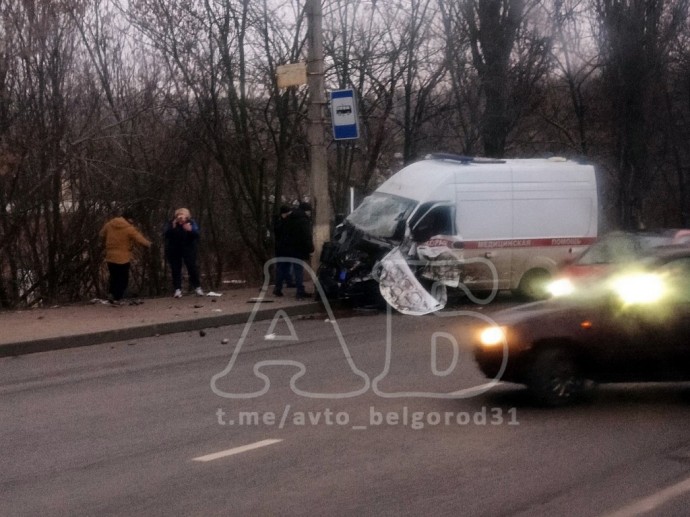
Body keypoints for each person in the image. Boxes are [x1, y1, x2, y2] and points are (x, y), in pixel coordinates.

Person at [99, 209, 152, 304]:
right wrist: (149, 244)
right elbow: (139, 238)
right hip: (123, 258)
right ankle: (117, 297)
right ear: (129, 219)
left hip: (110, 257)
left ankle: (111, 293)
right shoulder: (128, 228)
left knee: (114, 277)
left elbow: (101, 233)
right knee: (123, 278)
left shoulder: (109, 224)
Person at [273, 202, 314, 299]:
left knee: (282, 268)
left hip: (286, 248)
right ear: (306, 211)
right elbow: (306, 236)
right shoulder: (303, 220)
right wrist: (310, 248)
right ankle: (300, 292)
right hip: (298, 248)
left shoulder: (289, 218)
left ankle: (277, 288)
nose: (309, 214)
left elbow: (283, 232)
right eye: (309, 212)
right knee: (298, 270)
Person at [164, 207, 204, 298]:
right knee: (176, 269)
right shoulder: (171, 223)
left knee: (192, 267)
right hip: (174, 249)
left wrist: (190, 230)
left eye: (183, 216)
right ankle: (177, 289)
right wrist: (173, 228)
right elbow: (166, 235)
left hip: (188, 248)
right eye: (179, 216)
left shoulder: (191, 223)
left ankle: (197, 287)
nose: (181, 219)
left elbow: (197, 235)